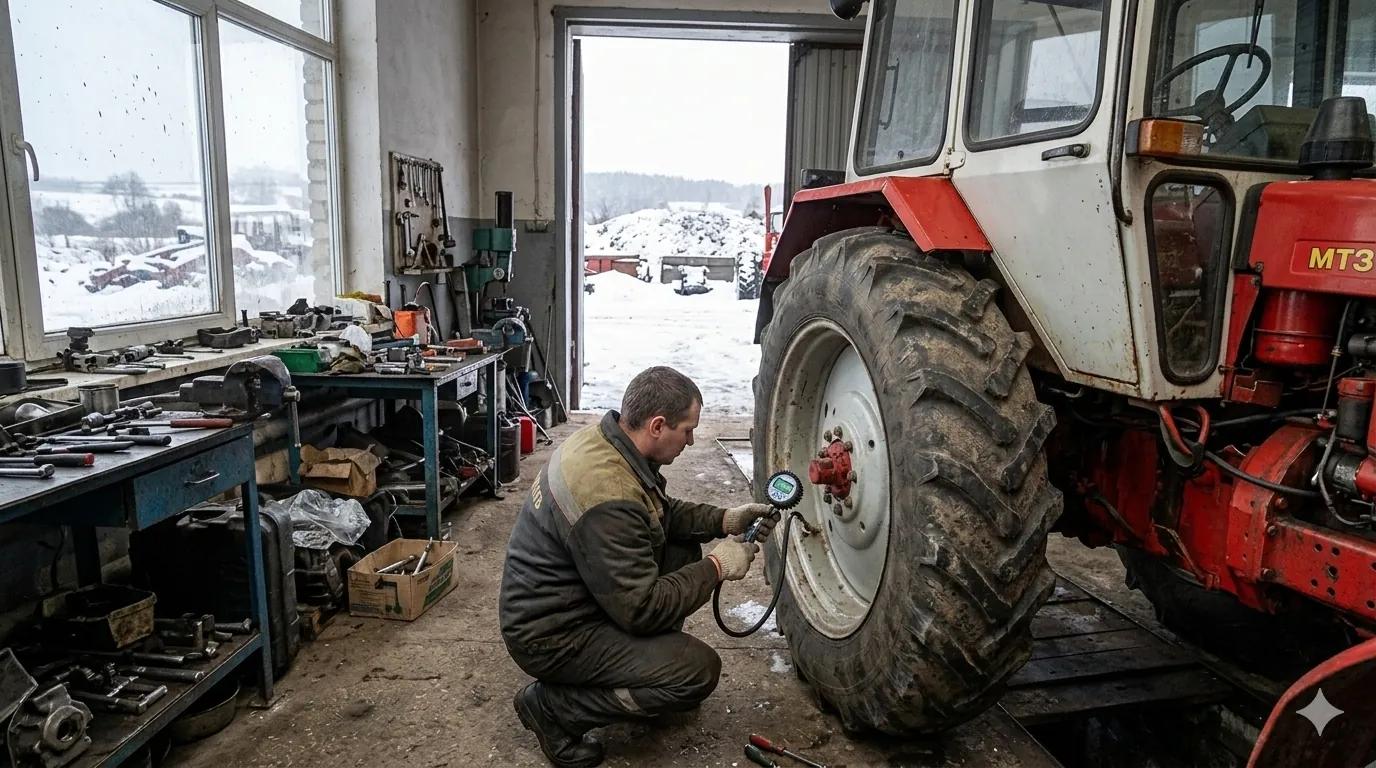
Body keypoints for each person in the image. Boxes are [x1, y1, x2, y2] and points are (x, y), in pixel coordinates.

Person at [499, 366, 778, 767]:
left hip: (571, 597)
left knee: (680, 551)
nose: (692, 440)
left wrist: (725, 519)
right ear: (658, 425)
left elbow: (655, 514)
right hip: (551, 636)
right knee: (696, 672)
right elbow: (642, 608)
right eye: (687, 430)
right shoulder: (606, 497)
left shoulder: (607, 442)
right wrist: (718, 565)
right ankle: (554, 709)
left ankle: (645, 676)